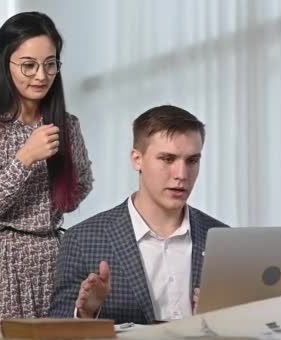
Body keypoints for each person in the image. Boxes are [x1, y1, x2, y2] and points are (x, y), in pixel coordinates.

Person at [0, 12, 93, 329]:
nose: (41, 75)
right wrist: (25, 158)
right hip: (1, 261)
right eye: (28, 65)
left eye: (50, 64)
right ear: (5, 64)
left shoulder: (66, 125)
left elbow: (73, 197)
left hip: (54, 256)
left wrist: (69, 156)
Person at [49, 105, 228, 324]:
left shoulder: (223, 239)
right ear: (137, 159)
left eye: (192, 161)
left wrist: (223, 320)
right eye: (167, 159)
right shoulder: (81, 240)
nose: (181, 175)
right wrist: (86, 313)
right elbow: (55, 331)